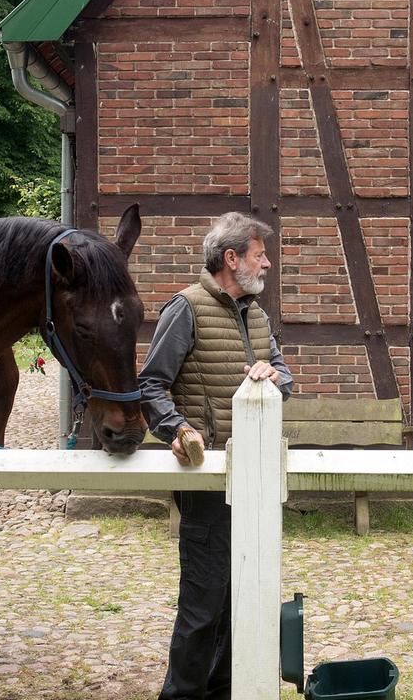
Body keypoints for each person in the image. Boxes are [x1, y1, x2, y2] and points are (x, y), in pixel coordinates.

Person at [138, 211, 295, 700]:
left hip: (256, 478)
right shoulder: (185, 308)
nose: (267, 263)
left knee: (242, 600)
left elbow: (286, 375)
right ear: (231, 258)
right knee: (204, 604)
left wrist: (274, 377)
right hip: (207, 483)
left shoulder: (258, 314)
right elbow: (150, 386)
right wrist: (178, 428)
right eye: (258, 254)